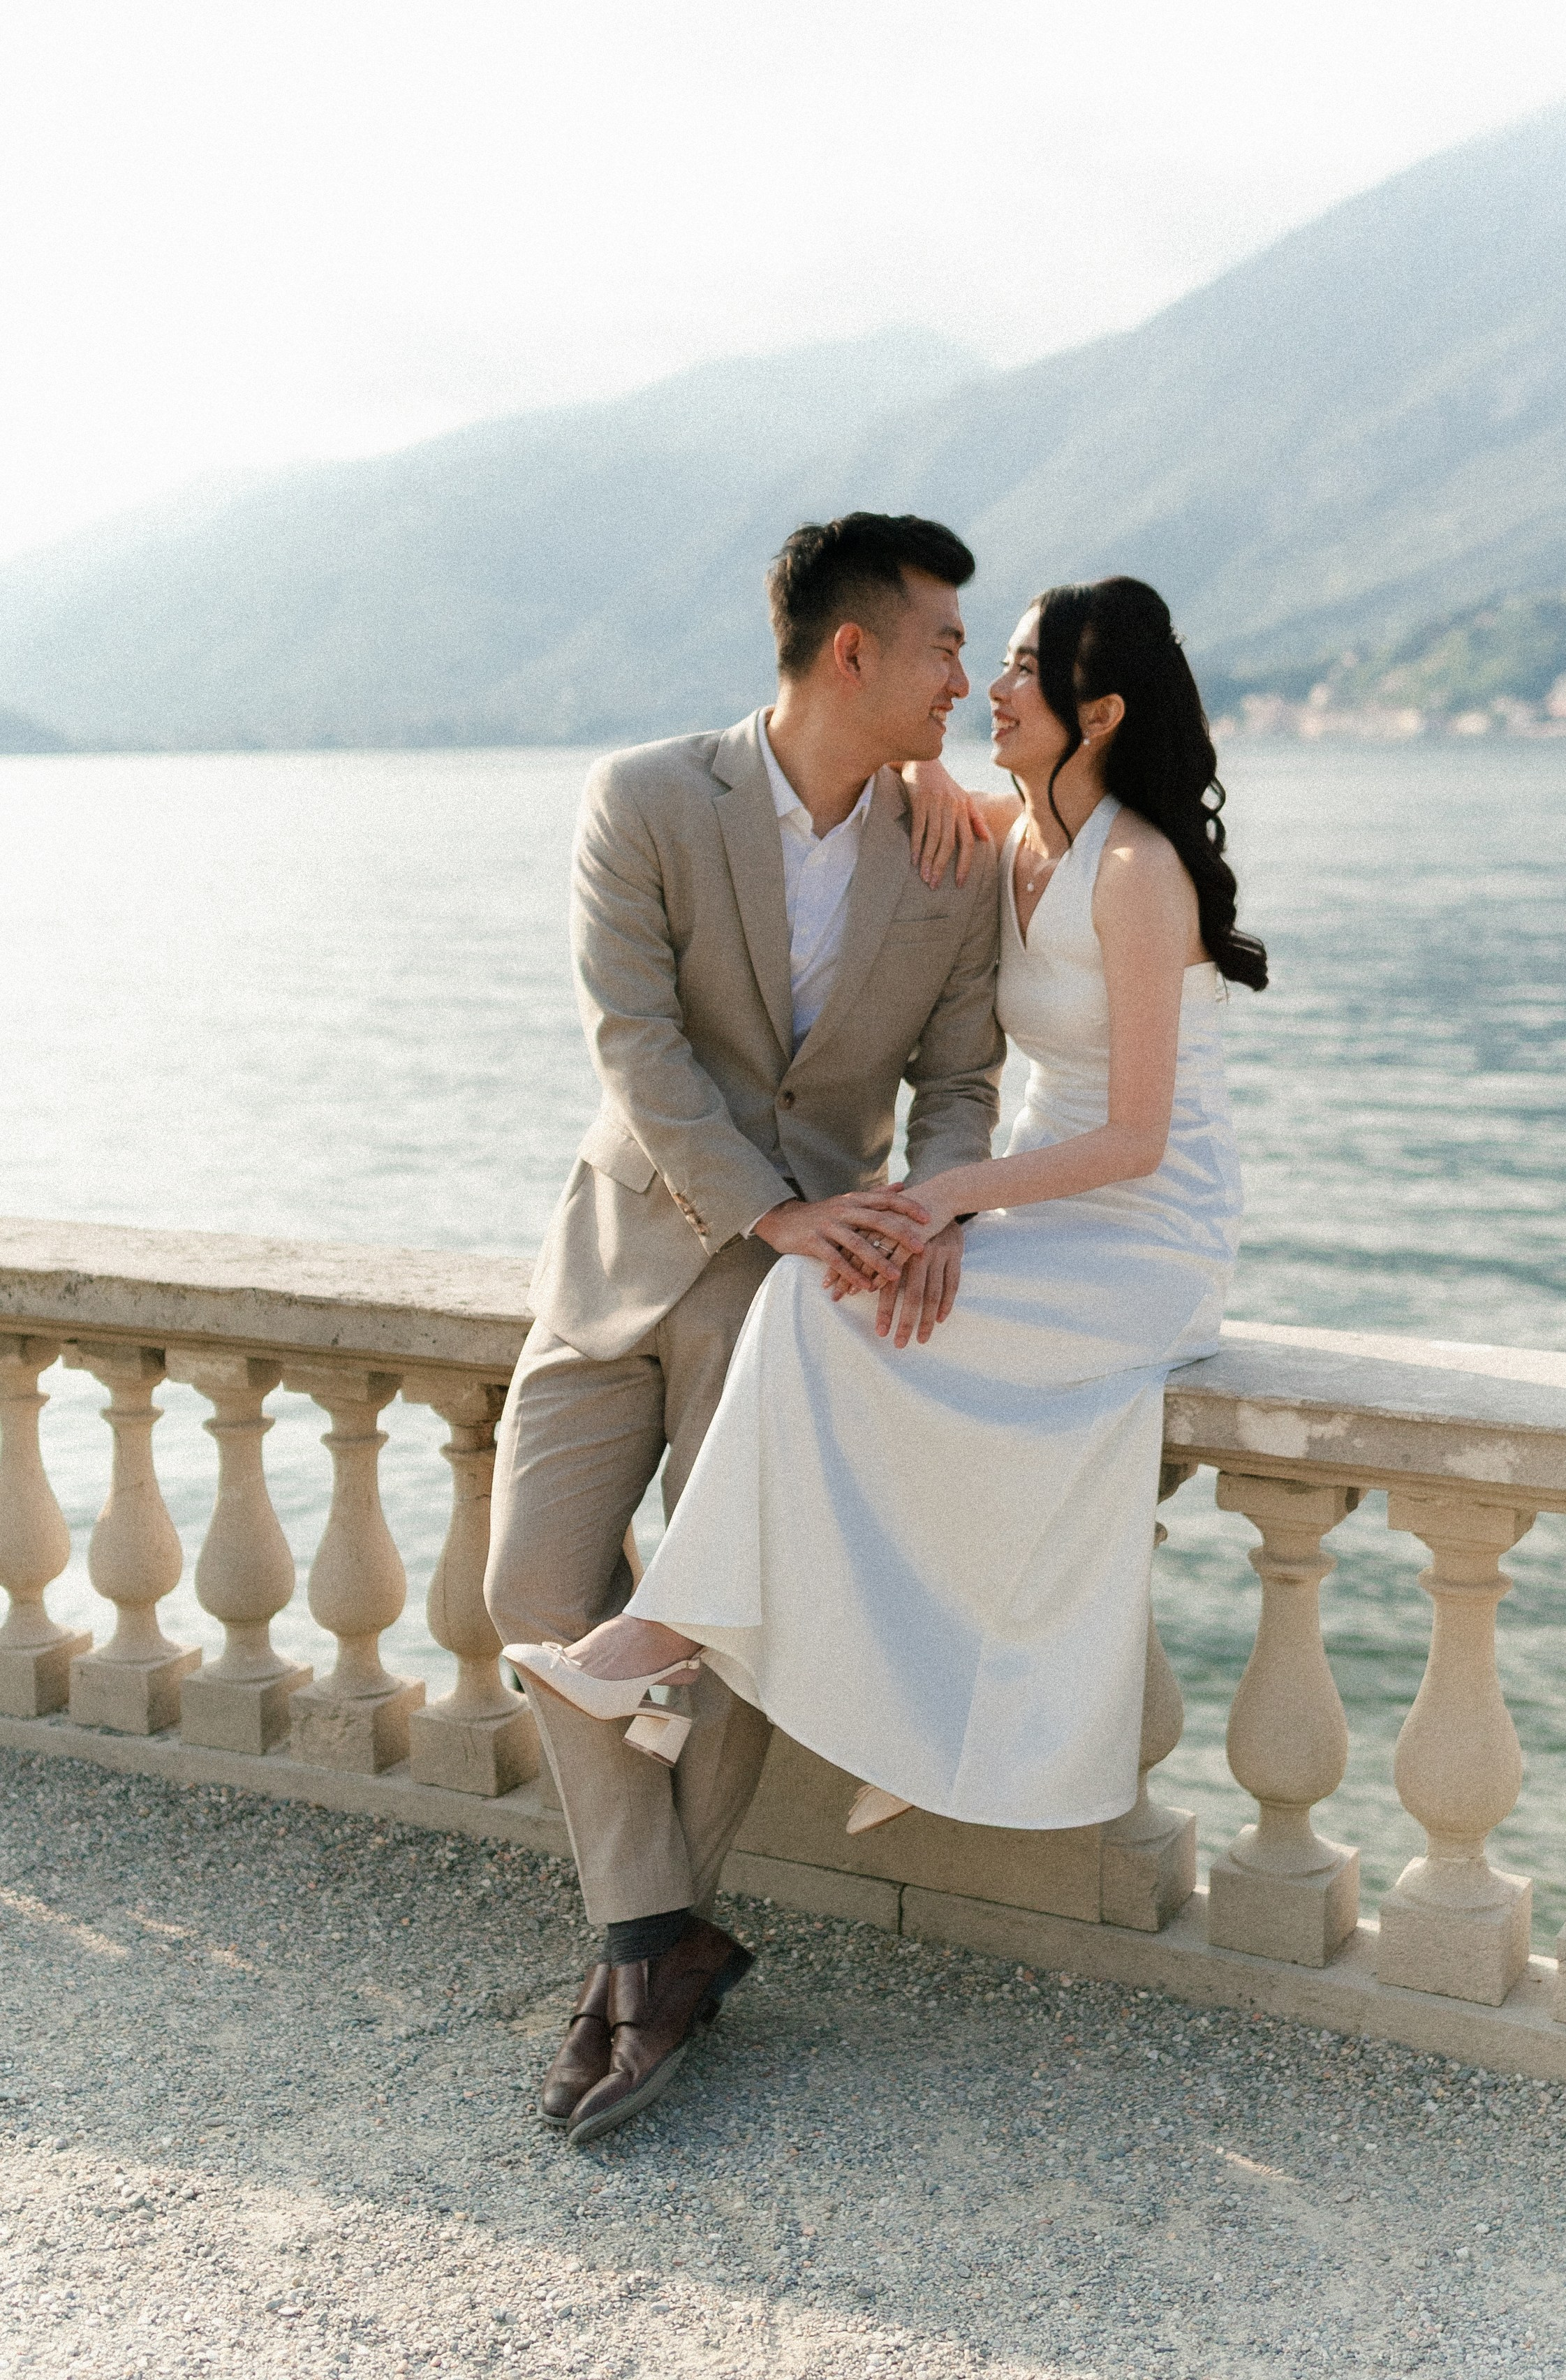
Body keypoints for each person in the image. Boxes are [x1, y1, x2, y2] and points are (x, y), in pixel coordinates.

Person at [526, 575, 1266, 1886]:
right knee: (837, 1296)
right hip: (1041, 1202)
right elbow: (904, 802)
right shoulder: (998, 831)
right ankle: (849, 1688)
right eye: (990, 658)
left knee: (836, 1292)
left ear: (1099, 713)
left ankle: (663, 1635)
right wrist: (925, 793)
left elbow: (1139, 1140)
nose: (991, 686)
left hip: (1147, 1236)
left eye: (1026, 669)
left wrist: (941, 1200)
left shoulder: (1142, 870)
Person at [483, 512, 1004, 2147]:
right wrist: (769, 1205)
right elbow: (632, 1042)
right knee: (529, 1583)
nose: (960, 679)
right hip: (628, 1244)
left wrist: (932, 1210)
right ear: (850, 650)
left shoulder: (952, 849)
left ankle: (636, 1970)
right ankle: (659, 1935)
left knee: (724, 1621)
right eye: (939, 645)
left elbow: (965, 1080)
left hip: (803, 1301)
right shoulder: (645, 797)